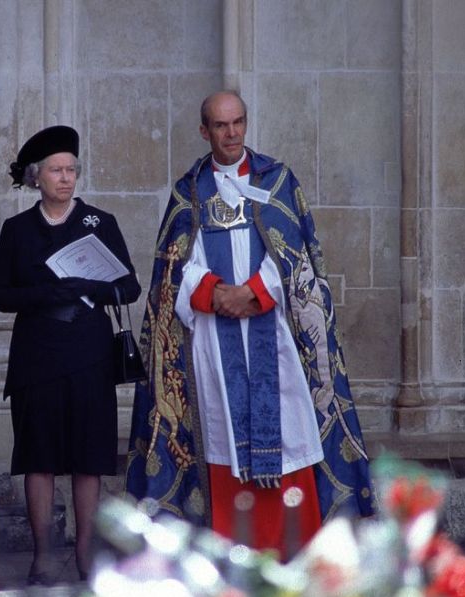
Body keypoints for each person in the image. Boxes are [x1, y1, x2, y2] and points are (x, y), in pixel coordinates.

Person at [125, 90, 374, 557]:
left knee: (290, 431)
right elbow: (174, 269)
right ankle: (233, 555)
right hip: (212, 345)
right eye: (220, 125)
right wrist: (216, 294)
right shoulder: (188, 192)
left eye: (238, 122)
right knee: (221, 438)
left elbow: (298, 259)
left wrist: (255, 294)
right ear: (205, 131)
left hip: (274, 336)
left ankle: (293, 552)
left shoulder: (277, 181)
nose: (232, 132)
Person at [0, 125, 140, 583]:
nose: (66, 178)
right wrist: (45, 293)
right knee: (39, 457)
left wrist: (91, 286)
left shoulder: (99, 223)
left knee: (88, 459)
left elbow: (129, 286)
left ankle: (86, 553)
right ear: (36, 177)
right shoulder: (17, 229)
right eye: (56, 170)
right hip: (38, 355)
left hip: (90, 354)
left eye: (71, 169)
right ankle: (42, 555)